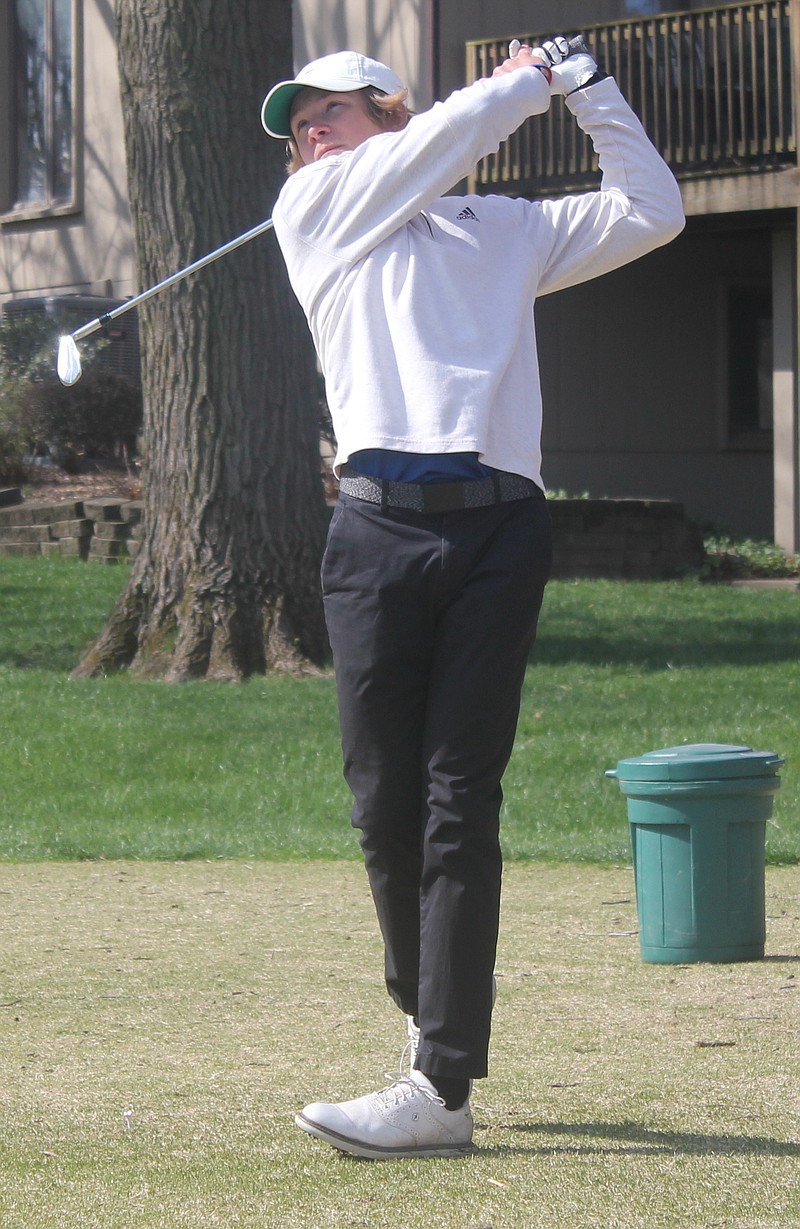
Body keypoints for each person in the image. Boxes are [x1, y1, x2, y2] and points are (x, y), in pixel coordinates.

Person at [260, 36, 684, 1160]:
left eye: (327, 113)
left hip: (499, 527)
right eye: (295, 125)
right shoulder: (318, 214)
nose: (305, 136)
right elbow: (456, 133)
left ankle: (439, 1082)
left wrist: (585, 87)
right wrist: (524, 83)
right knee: (381, 808)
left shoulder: (507, 231)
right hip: (372, 530)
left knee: (459, 802)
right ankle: (426, 1002)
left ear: (388, 114)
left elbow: (652, 209)